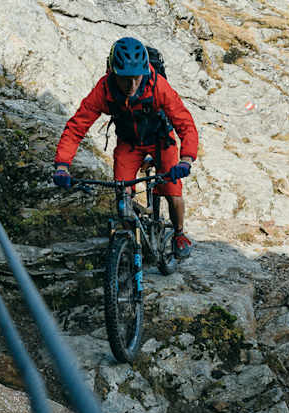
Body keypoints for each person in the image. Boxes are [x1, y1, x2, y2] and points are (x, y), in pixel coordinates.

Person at [52, 37, 199, 259]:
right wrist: (62, 165)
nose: (131, 86)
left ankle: (179, 233)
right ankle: (129, 243)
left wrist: (186, 159)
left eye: (136, 78)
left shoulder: (158, 86)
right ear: (113, 72)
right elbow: (76, 128)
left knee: (172, 190)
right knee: (122, 191)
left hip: (161, 141)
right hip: (129, 144)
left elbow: (185, 123)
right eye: (124, 79)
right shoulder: (103, 90)